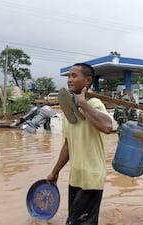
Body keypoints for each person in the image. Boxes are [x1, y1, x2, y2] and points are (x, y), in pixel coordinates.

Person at [47, 63, 113, 225]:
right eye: (69, 76)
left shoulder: (95, 103)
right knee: (75, 221)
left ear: (87, 80)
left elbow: (107, 126)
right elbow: (68, 145)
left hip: (91, 177)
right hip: (75, 177)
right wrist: (55, 172)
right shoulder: (69, 112)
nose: (69, 80)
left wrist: (83, 103)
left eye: (74, 76)